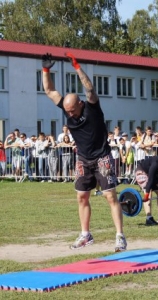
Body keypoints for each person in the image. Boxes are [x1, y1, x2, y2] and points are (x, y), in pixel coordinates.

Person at [42, 52, 127, 252]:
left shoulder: (92, 108)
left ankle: (120, 236)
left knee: (110, 196)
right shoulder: (66, 106)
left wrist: (77, 65)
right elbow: (49, 90)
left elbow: (89, 88)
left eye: (72, 110)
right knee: (81, 197)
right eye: (67, 111)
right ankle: (85, 234)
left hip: (102, 157)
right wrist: (46, 69)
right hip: (83, 158)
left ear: (80, 104)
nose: (69, 114)